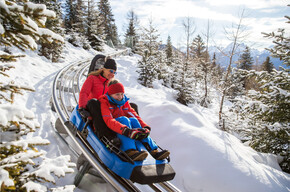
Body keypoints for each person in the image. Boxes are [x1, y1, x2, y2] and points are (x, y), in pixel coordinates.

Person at [98, 79, 170, 161]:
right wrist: (125, 130)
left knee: (134, 120)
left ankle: (153, 150)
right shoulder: (105, 102)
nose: (120, 97)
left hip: (125, 129)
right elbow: (109, 120)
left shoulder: (124, 101)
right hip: (114, 129)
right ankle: (130, 151)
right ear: (110, 94)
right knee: (124, 119)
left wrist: (145, 126)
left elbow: (134, 114)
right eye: (117, 94)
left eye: (121, 94)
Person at [78, 56, 118, 139]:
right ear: (104, 69)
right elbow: (84, 93)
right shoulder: (92, 78)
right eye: (111, 71)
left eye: (114, 72)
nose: (112, 74)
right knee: (95, 102)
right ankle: (106, 136)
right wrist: (82, 108)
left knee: (132, 106)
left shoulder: (112, 84)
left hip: (105, 110)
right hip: (92, 107)